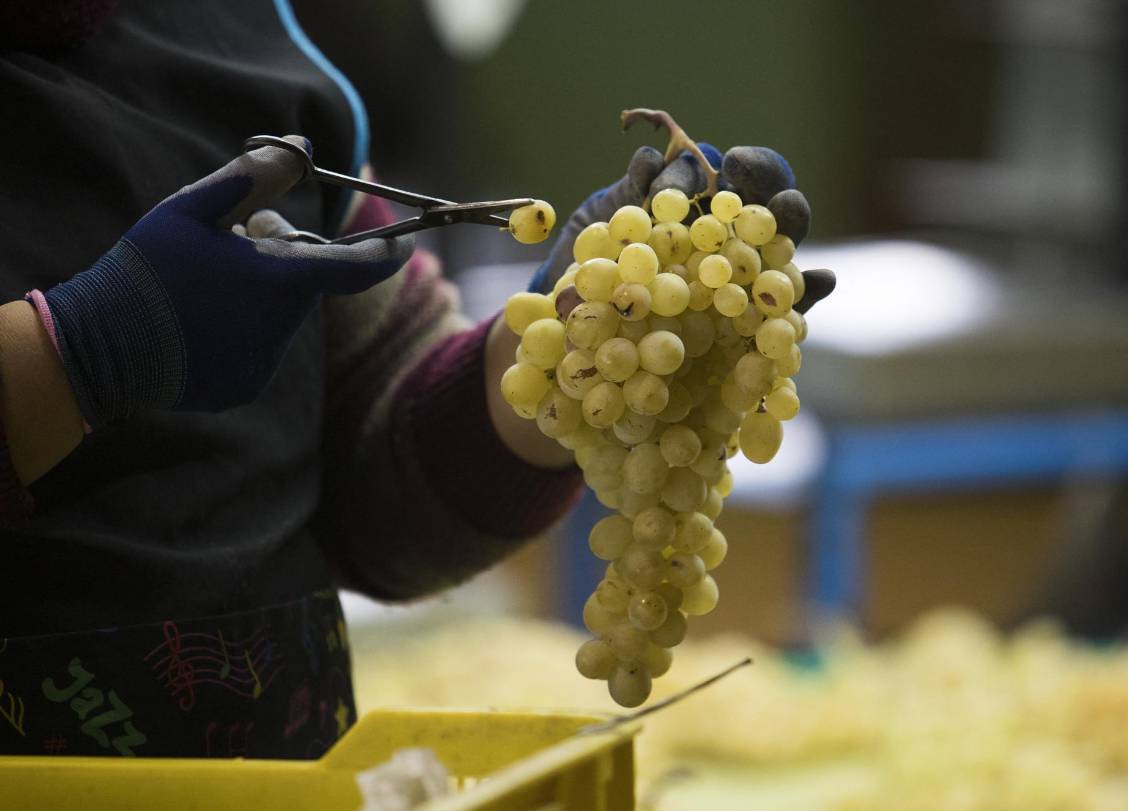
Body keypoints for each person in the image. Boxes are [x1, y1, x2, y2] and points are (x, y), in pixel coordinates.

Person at [0, 0, 833, 758]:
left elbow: (376, 477)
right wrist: (83, 354)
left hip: (293, 776)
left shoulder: (257, 42)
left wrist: (556, 360)